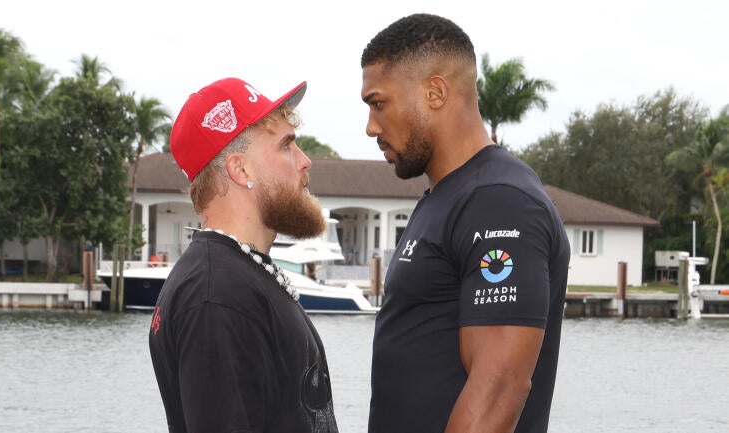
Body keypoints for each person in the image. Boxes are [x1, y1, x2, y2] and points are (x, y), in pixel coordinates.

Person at [360, 13, 570, 433]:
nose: (370, 128)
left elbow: (499, 390)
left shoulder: (499, 202)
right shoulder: (446, 198)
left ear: (435, 92)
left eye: (379, 103)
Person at [148, 77, 339, 433]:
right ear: (240, 170)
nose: (305, 161)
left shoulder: (237, 276)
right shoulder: (217, 295)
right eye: (286, 146)